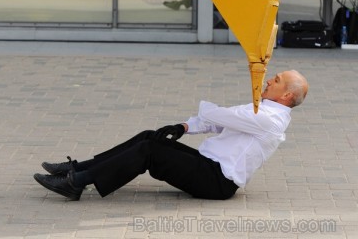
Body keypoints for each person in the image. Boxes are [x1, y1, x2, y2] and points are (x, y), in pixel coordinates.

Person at [33, 69, 308, 202]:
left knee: (149, 152)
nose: (270, 79)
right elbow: (219, 123)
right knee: (150, 137)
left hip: (217, 182)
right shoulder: (264, 110)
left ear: (285, 95)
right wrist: (184, 128)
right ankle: (76, 169)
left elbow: (218, 116)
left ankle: (77, 183)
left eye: (277, 80)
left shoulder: (270, 119)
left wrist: (202, 115)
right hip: (208, 166)